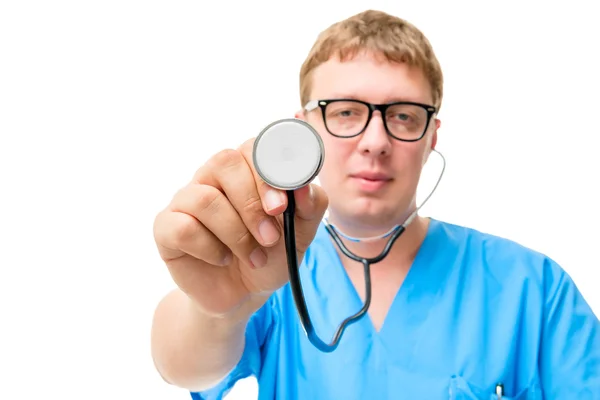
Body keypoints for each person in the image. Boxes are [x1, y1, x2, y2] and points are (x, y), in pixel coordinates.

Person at [150, 9, 600, 400]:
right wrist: (218, 310)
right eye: (345, 111)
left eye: (403, 115)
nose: (375, 141)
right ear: (305, 130)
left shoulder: (534, 288)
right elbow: (180, 365)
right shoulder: (270, 271)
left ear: (432, 138)